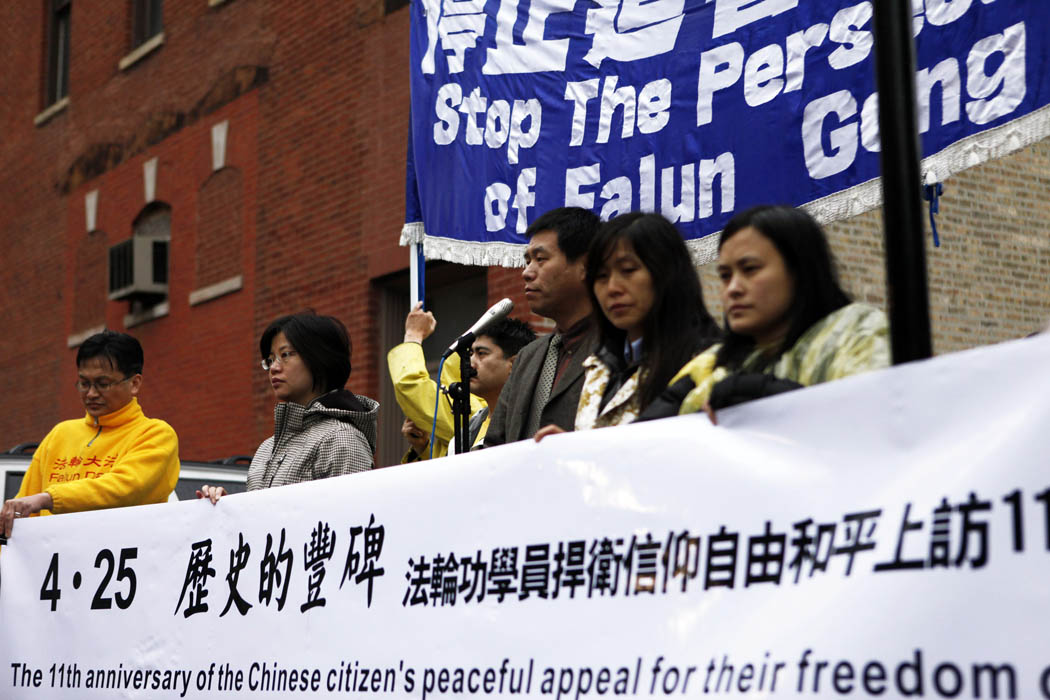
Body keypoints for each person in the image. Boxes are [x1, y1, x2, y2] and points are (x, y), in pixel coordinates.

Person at [650, 205, 889, 419]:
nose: (733, 288)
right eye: (725, 276)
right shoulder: (711, 365)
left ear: (800, 271)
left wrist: (774, 398)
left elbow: (873, 420)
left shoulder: (857, 333)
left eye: (750, 269)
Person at [535, 212, 721, 437]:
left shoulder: (712, 365)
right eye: (601, 276)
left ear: (667, 272)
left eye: (628, 270)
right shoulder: (598, 367)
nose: (613, 288)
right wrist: (572, 448)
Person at [1, 331, 179, 538]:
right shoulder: (60, 434)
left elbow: (124, 488)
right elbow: (23, 511)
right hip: (54, 555)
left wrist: (48, 498)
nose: (91, 394)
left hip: (123, 554)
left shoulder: (155, 434)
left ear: (134, 383)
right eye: (84, 384)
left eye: (103, 384)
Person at [198, 312, 377, 502]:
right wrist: (225, 508)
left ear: (320, 357)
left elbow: (351, 515)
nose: (274, 368)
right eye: (270, 360)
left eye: (285, 355)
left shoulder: (341, 439)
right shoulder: (266, 448)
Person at [482, 207, 601, 446]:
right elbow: (494, 445)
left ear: (585, 265)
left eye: (540, 259)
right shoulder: (528, 357)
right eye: (527, 261)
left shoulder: (620, 346)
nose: (526, 273)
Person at [388, 302, 535, 460]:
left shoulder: (523, 419)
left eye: (481, 353)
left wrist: (413, 335)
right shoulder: (474, 422)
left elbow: (410, 386)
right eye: (470, 354)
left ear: (514, 364)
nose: (471, 363)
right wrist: (423, 449)